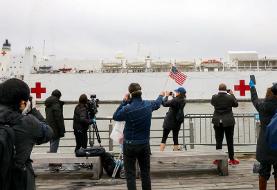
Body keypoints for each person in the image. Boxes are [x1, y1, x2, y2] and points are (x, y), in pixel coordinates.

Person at [0, 78, 53, 190]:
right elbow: (48, 133)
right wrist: (33, 110)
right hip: (18, 182)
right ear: (22, 103)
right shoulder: (28, 122)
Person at [113, 83, 165, 190]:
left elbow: (116, 116)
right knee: (145, 173)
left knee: (130, 174)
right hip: (144, 145)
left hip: (129, 145)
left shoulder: (127, 109)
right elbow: (158, 103)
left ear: (130, 94)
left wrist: (124, 101)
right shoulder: (148, 105)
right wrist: (161, 95)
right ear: (141, 92)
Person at [249, 81, 277, 190]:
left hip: (265, 145)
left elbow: (254, 99)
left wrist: (252, 87)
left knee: (263, 172)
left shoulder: (262, 107)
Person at [211, 83, 239, 165]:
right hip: (228, 121)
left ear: (218, 89)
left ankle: (218, 159)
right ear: (226, 89)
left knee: (218, 140)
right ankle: (231, 159)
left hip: (217, 121)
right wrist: (232, 94)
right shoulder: (230, 97)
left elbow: (213, 103)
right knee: (230, 140)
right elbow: (236, 104)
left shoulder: (214, 97)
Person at [160, 87, 186, 151]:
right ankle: (176, 152)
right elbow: (176, 102)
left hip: (169, 121)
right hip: (177, 121)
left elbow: (164, 104)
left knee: (164, 137)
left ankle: (161, 152)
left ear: (179, 93)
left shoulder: (175, 100)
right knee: (175, 137)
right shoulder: (183, 100)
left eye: (176, 92)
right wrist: (173, 96)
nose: (175, 92)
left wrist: (166, 96)